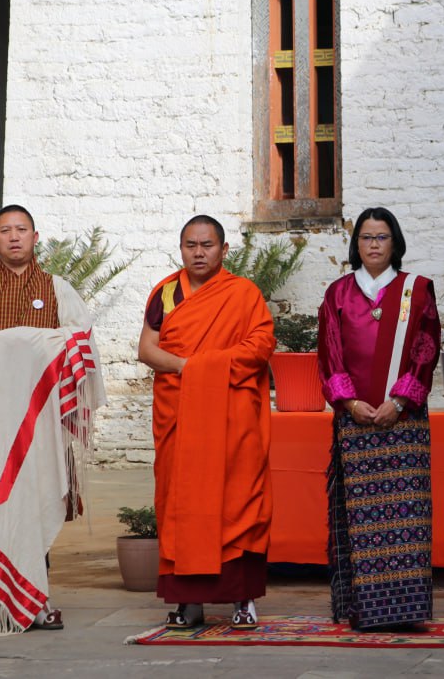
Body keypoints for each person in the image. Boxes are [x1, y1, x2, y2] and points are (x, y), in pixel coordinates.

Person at [0, 204, 106, 633]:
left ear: (35, 237)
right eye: (5, 231)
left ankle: (38, 599)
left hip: (39, 421)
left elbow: (81, 342)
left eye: (22, 230)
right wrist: (3, 346)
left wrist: (35, 351)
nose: (14, 237)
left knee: (36, 499)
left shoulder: (56, 288)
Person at [139, 215, 275, 630]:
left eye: (207, 245)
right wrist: (192, 369)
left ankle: (242, 598)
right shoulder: (164, 293)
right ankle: (189, 603)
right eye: (191, 245)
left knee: (238, 499)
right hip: (179, 412)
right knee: (182, 503)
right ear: (181, 249)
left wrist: (201, 370)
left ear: (224, 250)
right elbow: (147, 349)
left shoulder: (243, 294)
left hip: (233, 417)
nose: (199, 253)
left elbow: (261, 344)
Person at [318, 207, 441, 630]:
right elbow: (330, 355)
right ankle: (365, 610)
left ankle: (406, 611)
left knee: (406, 517)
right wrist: (350, 404)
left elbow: (426, 351)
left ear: (395, 243)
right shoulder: (338, 294)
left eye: (382, 237)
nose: (373, 244)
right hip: (356, 422)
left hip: (402, 423)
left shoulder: (417, 291)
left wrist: (400, 401)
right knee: (361, 519)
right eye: (366, 237)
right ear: (356, 245)